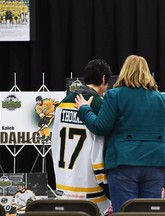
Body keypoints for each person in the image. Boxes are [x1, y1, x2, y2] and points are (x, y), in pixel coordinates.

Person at [75, 54, 165, 212]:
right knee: (150, 214)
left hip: (123, 163)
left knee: (125, 212)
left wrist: (84, 109)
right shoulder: (161, 98)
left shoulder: (114, 95)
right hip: (155, 163)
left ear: (124, 71)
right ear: (147, 73)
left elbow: (101, 127)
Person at [51, 59, 112, 215]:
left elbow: (55, 145)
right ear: (104, 79)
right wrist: (107, 187)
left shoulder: (62, 104)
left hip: (64, 186)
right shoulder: (100, 105)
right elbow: (99, 151)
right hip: (90, 189)